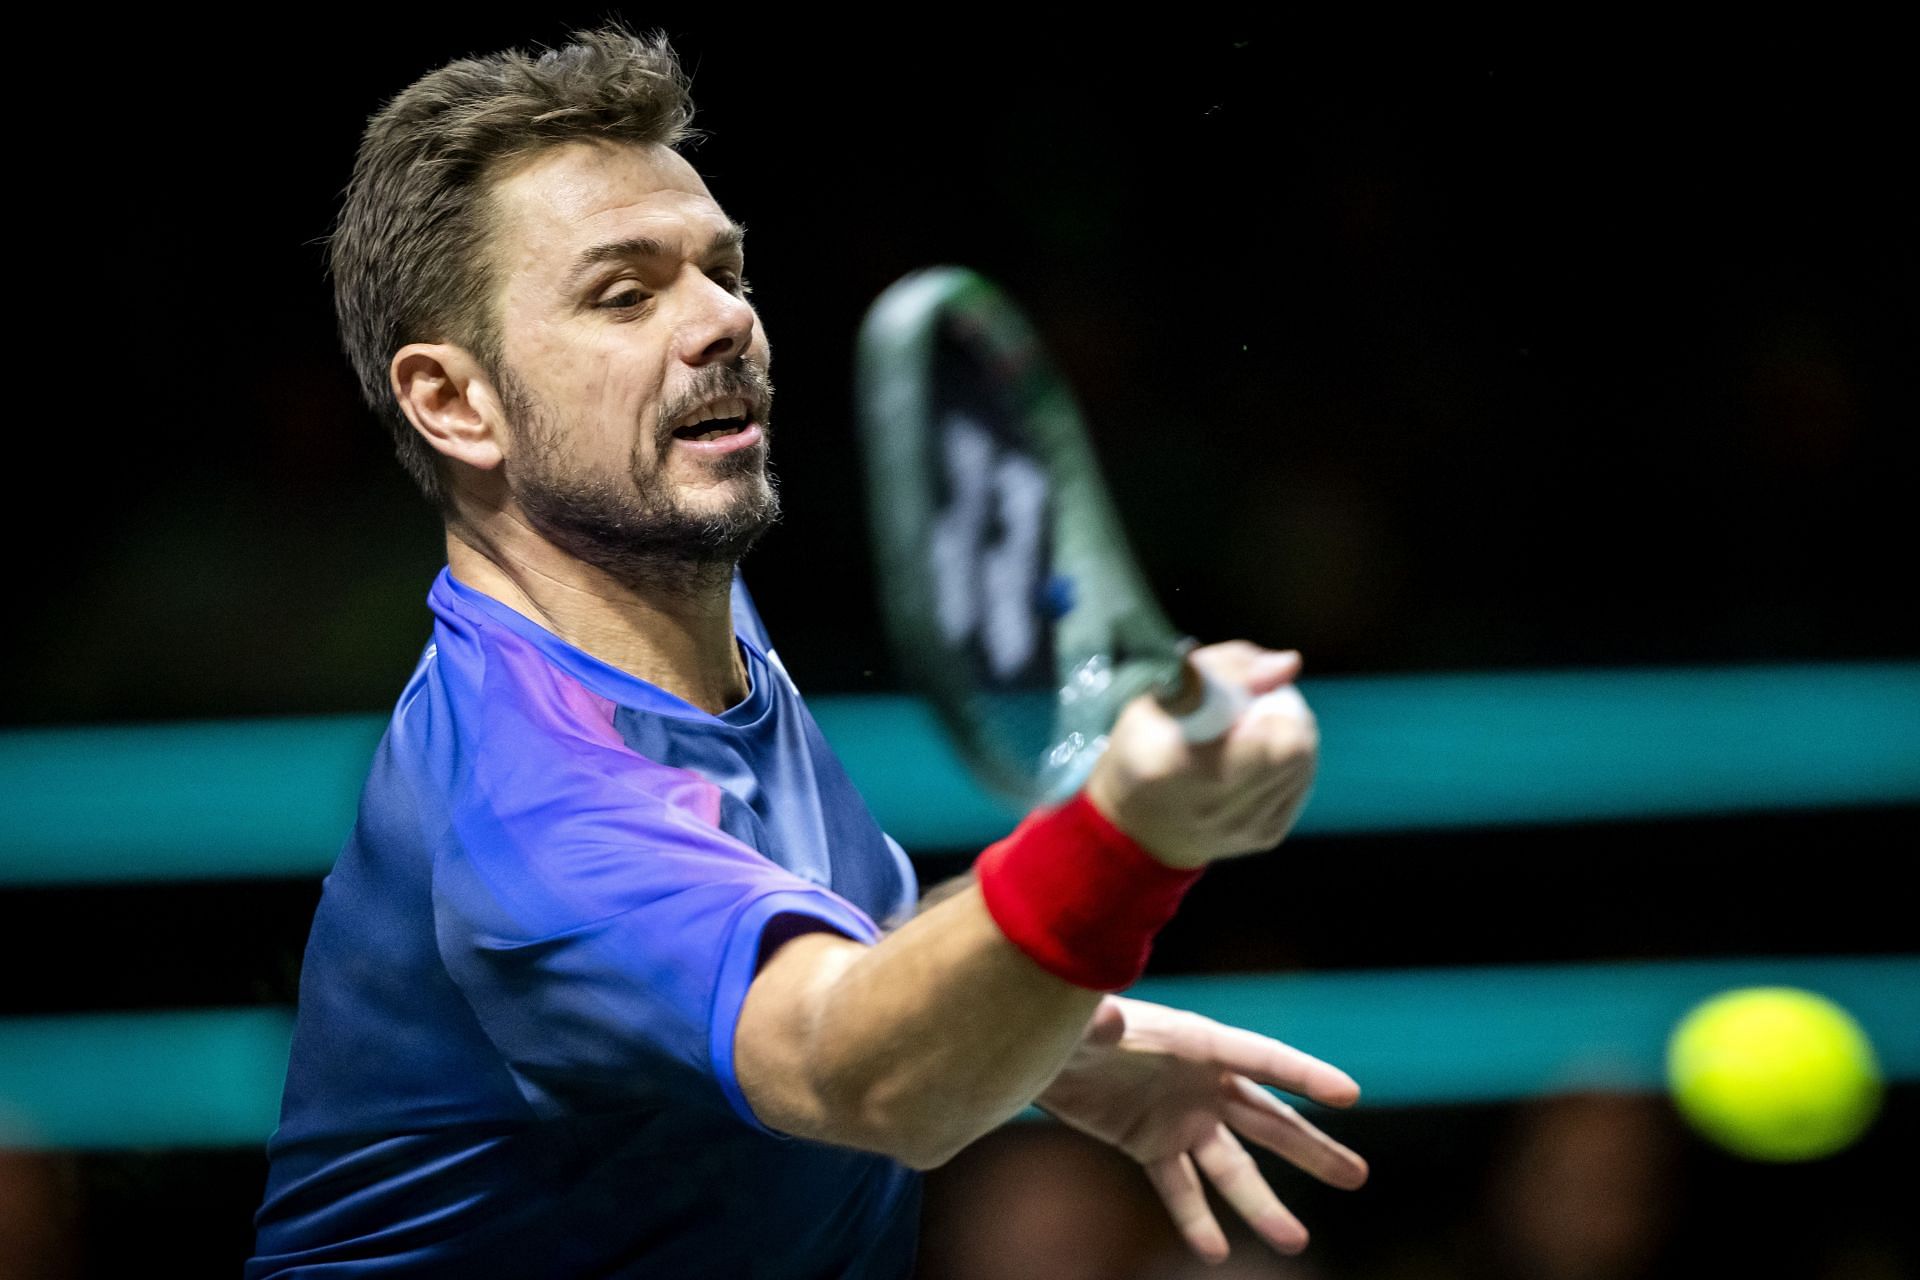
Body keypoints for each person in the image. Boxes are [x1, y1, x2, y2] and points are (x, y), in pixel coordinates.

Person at [248, 26, 1367, 1278]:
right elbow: (854, 1064)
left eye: (724, 270)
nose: (723, 318)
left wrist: (1056, 1040)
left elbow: (845, 952)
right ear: (455, 402)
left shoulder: (683, 625)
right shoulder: (534, 808)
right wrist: (1123, 839)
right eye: (626, 292)